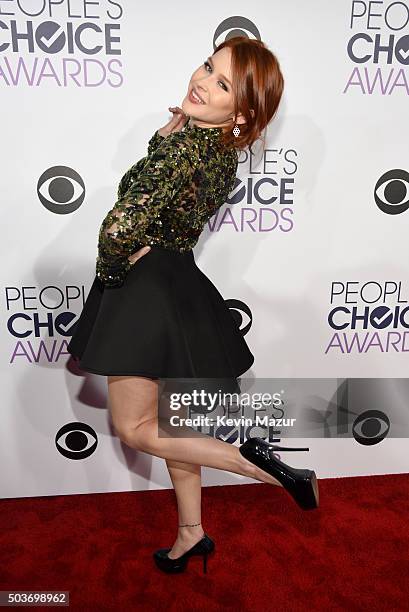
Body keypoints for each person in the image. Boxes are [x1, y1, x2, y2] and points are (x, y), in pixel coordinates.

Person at [67, 36, 319, 575]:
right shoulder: (219, 153)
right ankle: (191, 532)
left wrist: (112, 276)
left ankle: (268, 470)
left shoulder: (184, 152)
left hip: (142, 290)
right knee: (175, 427)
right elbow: (168, 196)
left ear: (243, 109)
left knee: (136, 428)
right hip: (178, 286)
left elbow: (121, 226)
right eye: (208, 66)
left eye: (221, 83)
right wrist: (164, 141)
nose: (202, 81)